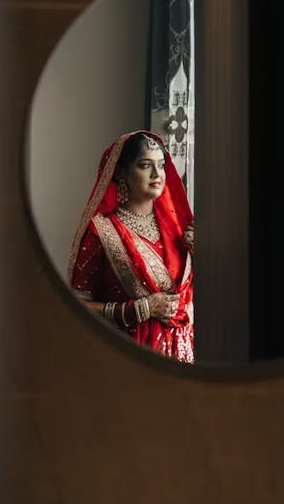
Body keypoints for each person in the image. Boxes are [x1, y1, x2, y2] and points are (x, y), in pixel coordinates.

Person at [67, 130, 195, 362]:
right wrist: (138, 309)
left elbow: (191, 300)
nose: (157, 174)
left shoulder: (179, 230)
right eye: (145, 165)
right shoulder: (103, 231)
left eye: (161, 165)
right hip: (129, 359)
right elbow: (75, 306)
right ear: (121, 172)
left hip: (184, 355)